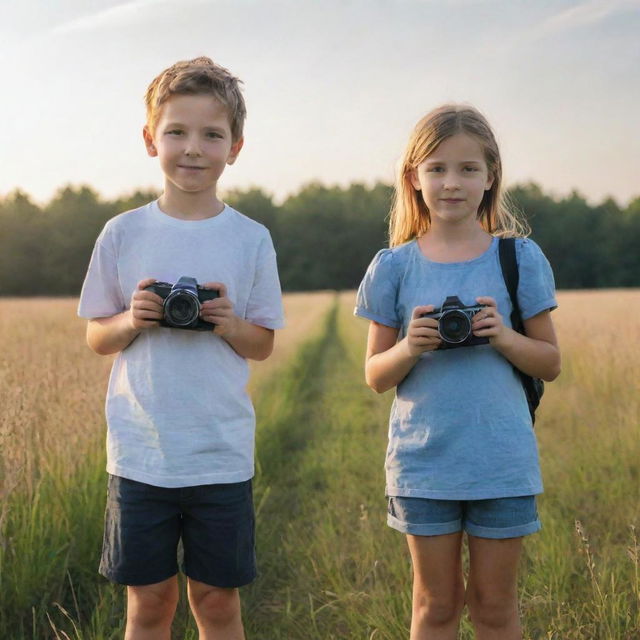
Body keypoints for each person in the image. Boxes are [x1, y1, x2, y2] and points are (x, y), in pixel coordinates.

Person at [78, 57, 284, 640]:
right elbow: (97, 336)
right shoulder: (122, 233)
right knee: (148, 604)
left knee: (217, 602)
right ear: (151, 140)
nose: (193, 148)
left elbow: (263, 344)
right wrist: (131, 320)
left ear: (235, 147)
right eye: (177, 132)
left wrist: (225, 323)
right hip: (141, 453)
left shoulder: (251, 238)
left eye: (212, 135)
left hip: (219, 452)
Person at [354, 104, 560, 640]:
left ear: (491, 176)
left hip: (501, 460)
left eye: (468, 169)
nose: (452, 183)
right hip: (423, 464)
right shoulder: (394, 266)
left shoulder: (519, 258)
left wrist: (503, 335)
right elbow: (376, 375)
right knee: (434, 607)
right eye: (438, 168)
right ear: (414, 178)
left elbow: (550, 363)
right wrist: (411, 346)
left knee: (495, 609)